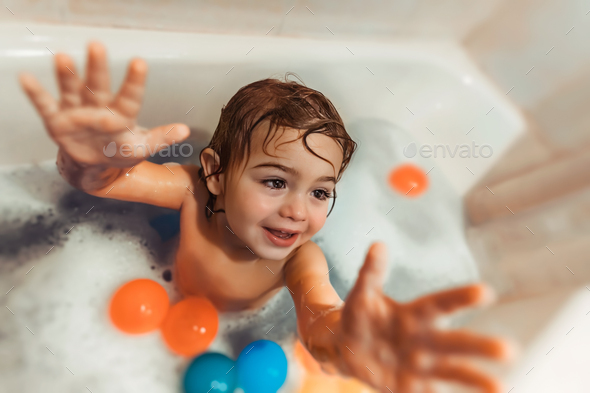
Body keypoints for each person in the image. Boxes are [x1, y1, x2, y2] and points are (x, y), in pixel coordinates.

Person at [19, 41, 514, 393]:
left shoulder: (301, 260)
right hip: (159, 282)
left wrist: (345, 343)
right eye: (275, 182)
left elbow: (318, 312)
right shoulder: (192, 193)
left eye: (321, 191)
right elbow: (103, 182)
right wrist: (91, 157)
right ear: (214, 173)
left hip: (246, 336)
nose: (298, 210)